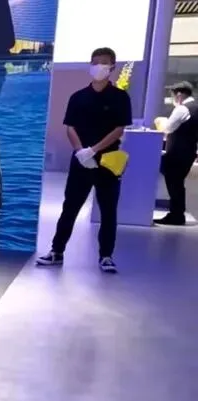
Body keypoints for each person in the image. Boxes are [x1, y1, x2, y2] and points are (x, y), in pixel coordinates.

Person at [37, 47, 132, 273]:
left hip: (108, 159)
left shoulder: (120, 97)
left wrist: (94, 150)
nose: (99, 66)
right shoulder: (78, 97)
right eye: (95, 62)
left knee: (108, 210)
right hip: (80, 160)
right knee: (70, 206)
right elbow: (70, 127)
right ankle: (57, 251)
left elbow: (119, 129)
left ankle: (106, 256)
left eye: (104, 62)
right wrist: (81, 151)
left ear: (112, 66)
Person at [155, 81, 198, 226]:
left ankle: (176, 215)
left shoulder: (182, 109)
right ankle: (177, 213)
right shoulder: (195, 107)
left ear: (179, 95)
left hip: (177, 153)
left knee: (174, 183)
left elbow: (167, 128)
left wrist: (161, 121)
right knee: (177, 183)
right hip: (188, 151)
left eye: (173, 95)